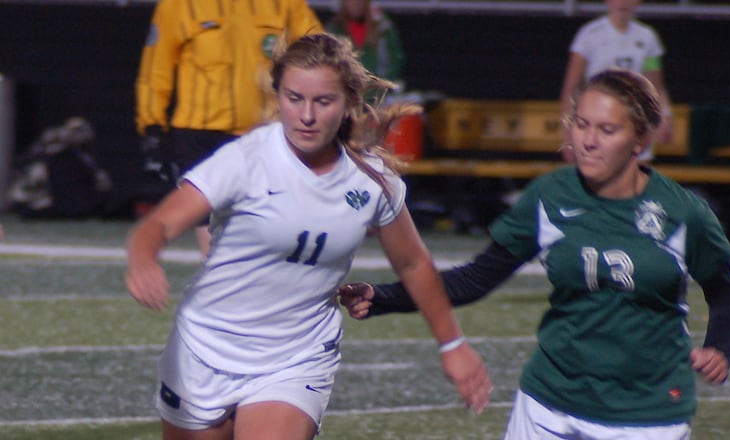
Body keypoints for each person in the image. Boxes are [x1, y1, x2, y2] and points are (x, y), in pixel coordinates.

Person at [340, 68, 730, 439]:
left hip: (648, 411)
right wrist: (386, 297)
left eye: (607, 130)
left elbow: (728, 292)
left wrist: (719, 347)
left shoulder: (682, 213)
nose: (588, 141)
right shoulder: (550, 197)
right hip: (550, 402)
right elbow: (476, 277)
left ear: (641, 139)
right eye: (582, 125)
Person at [126, 33, 491, 440]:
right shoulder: (247, 159)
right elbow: (157, 225)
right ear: (277, 94)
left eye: (323, 101)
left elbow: (412, 262)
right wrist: (143, 258)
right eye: (294, 98)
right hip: (204, 349)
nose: (306, 116)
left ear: (348, 103)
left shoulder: (371, 181)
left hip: (296, 357)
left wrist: (452, 344)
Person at [135, 0, 323, 256]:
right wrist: (152, 127)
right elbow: (156, 70)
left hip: (263, 135)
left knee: (268, 240)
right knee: (215, 247)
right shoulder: (180, 5)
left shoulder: (284, 4)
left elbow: (320, 54)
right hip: (200, 137)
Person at [559, 0, 673, 162]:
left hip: (633, 122)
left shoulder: (648, 38)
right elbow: (571, 88)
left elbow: (656, 87)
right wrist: (568, 133)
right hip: (597, 122)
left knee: (635, 181)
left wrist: (665, 117)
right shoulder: (589, 35)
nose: (623, 2)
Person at [324, 0, 405, 87]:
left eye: (360, 1)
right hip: (347, 89)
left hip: (379, 89)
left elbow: (394, 61)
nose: (355, 4)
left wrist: (382, 84)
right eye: (351, 1)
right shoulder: (334, 30)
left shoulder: (382, 28)